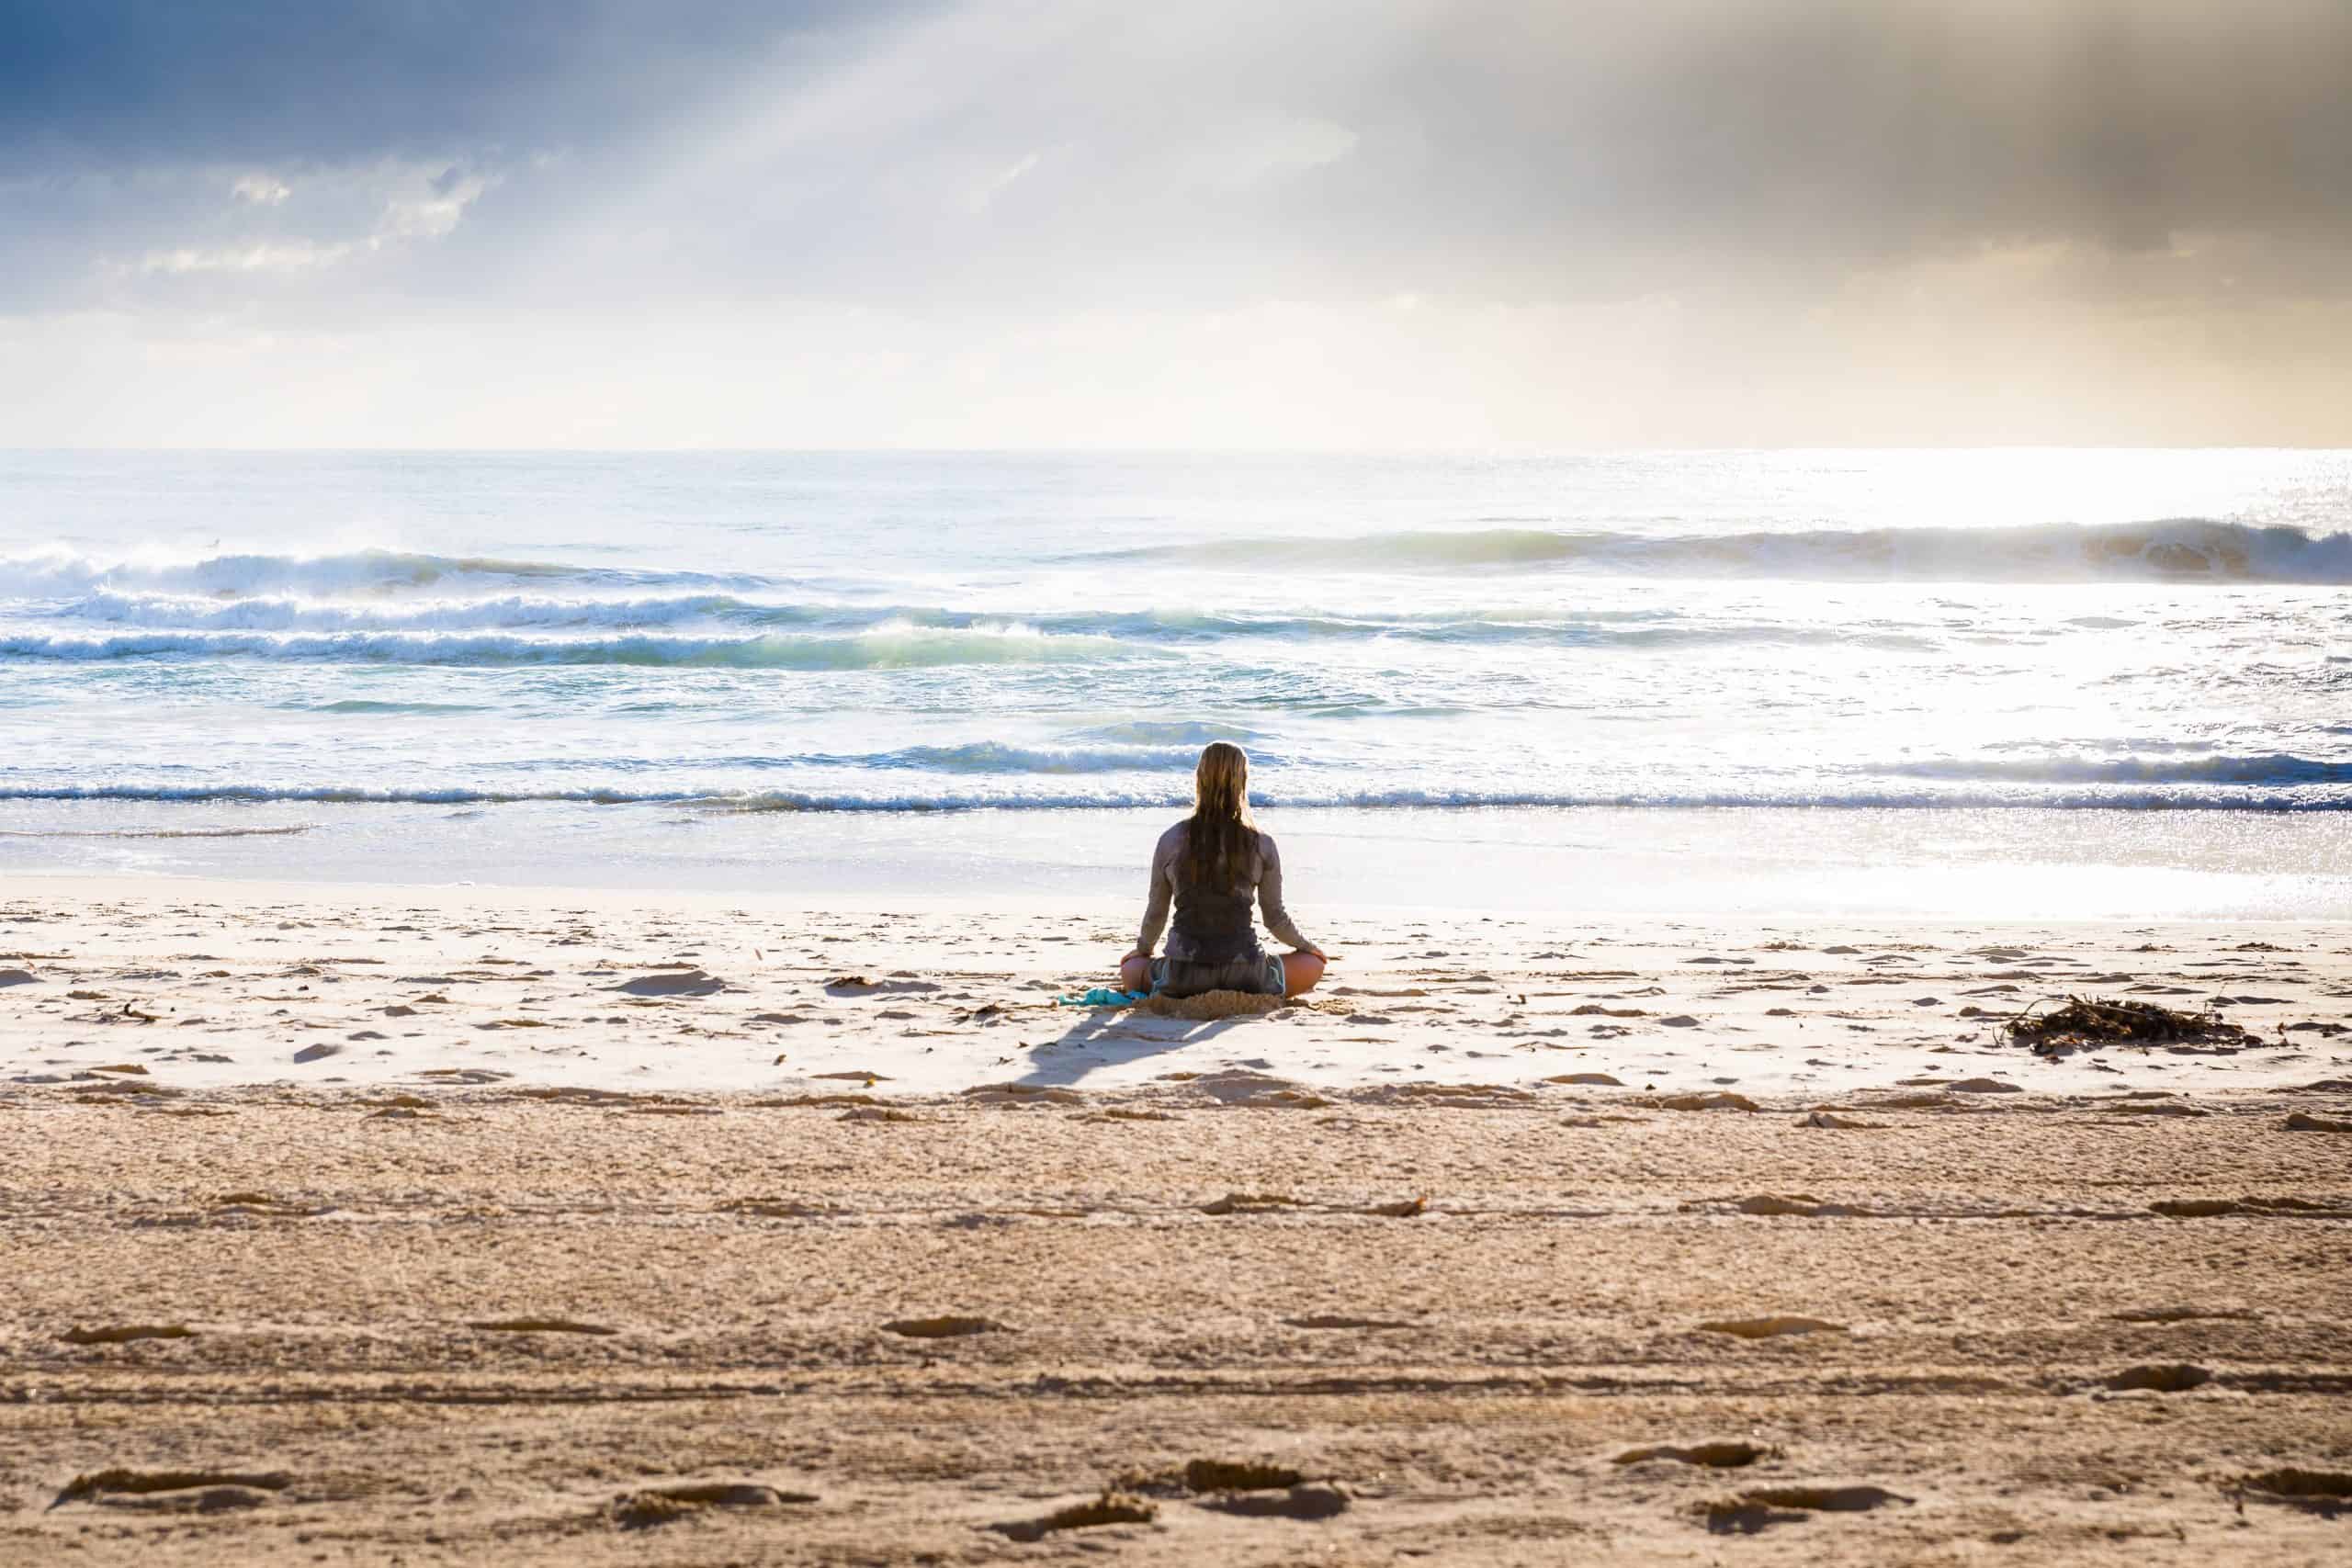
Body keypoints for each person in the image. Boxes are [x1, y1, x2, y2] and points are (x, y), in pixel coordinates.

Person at [1119, 741, 1329, 998]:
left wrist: (1142, 949)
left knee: (1130, 967)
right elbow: (1275, 919)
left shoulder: (1171, 839)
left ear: (1199, 779)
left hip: (1182, 974)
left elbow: (1156, 913)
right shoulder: (1261, 843)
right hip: (1246, 973)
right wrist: (1308, 947)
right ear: (1243, 780)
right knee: (1313, 963)